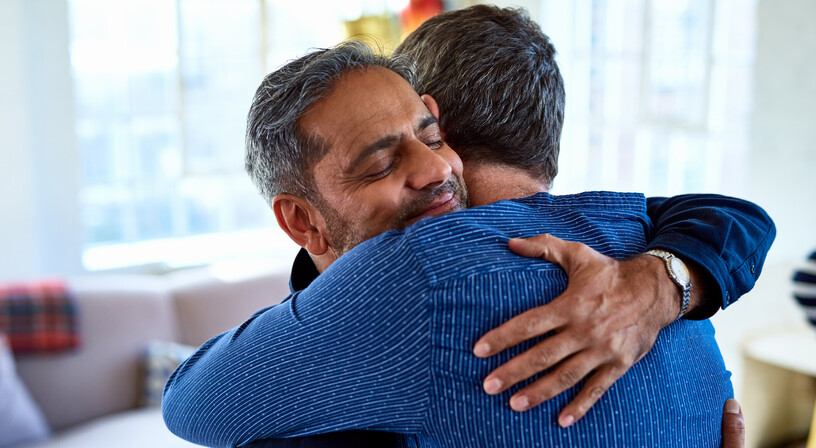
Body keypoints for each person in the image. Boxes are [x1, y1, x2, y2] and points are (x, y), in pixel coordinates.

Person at [162, 41, 772, 447]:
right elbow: (739, 218)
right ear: (302, 222)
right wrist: (666, 277)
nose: (431, 170)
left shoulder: (413, 274)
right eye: (379, 165)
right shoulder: (642, 233)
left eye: (431, 136)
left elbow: (186, 402)